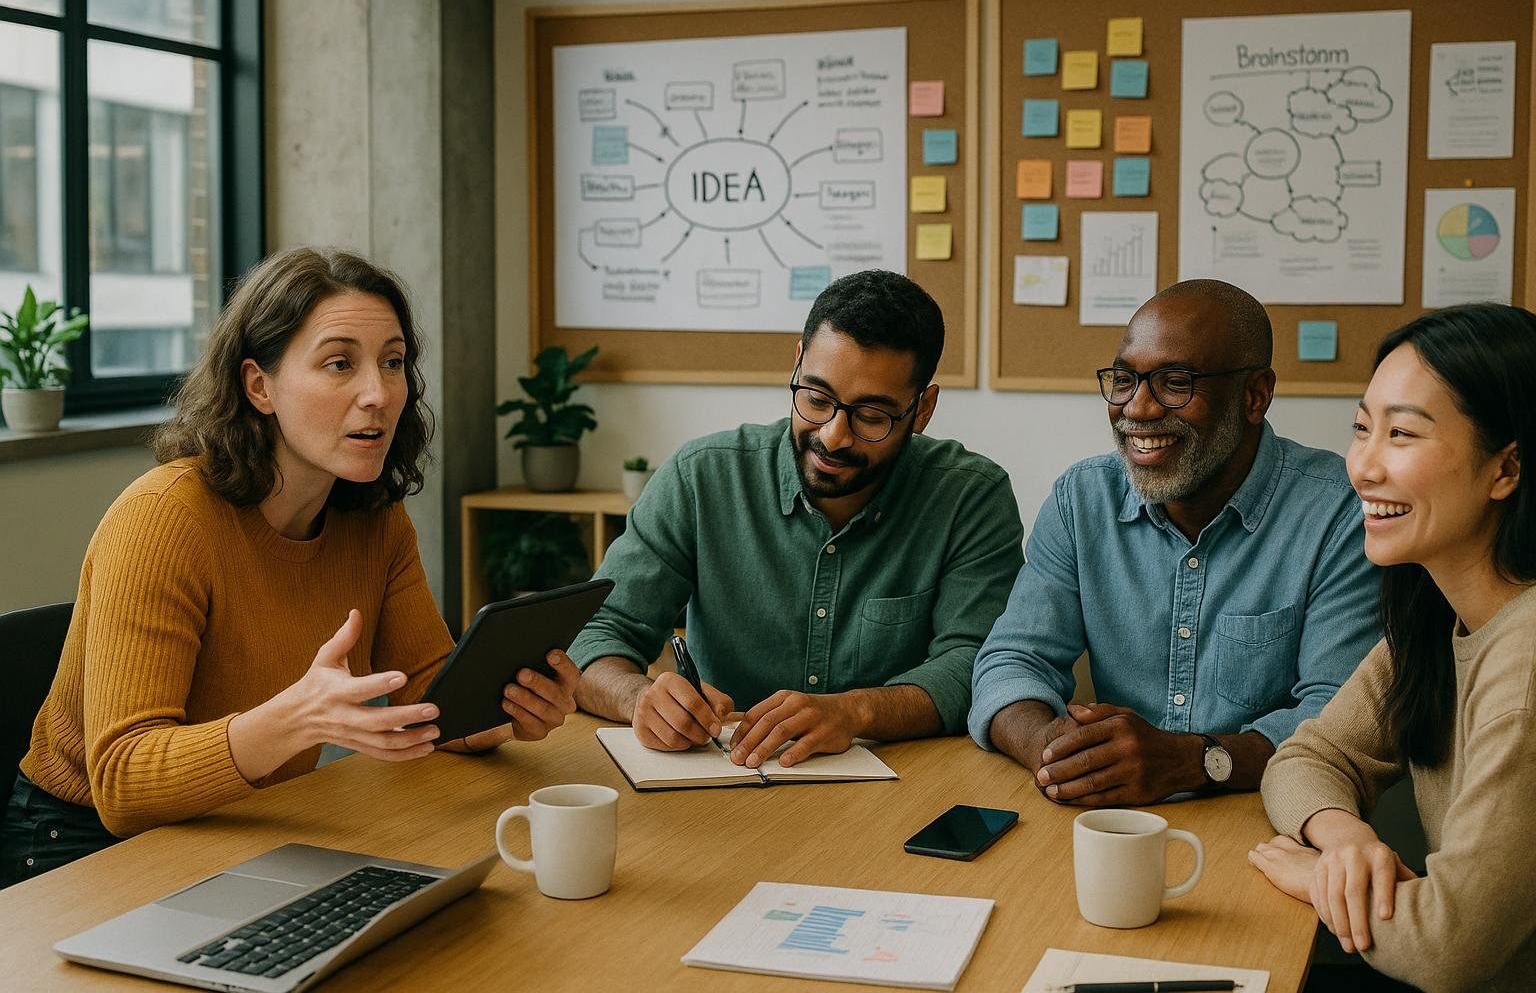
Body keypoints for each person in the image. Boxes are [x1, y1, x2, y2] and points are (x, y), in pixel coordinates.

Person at [2, 248, 580, 888]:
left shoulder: (376, 522)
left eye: (393, 363)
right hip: (82, 847)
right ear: (259, 386)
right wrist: (296, 720)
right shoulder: (164, 519)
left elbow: (427, 697)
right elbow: (123, 781)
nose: (379, 393)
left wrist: (503, 710)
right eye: (340, 364)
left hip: (244, 825)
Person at [570, 269, 1023, 769]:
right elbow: (599, 633)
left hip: (902, 792)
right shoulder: (702, 477)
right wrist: (639, 697)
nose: (832, 436)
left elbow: (976, 664)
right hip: (723, 783)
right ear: (798, 364)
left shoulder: (971, 498)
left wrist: (857, 711)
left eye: (872, 416)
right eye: (816, 397)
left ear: (922, 410)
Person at [969, 279, 1378, 805]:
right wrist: (1054, 750)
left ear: (1255, 395)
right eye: (1123, 380)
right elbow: (1012, 660)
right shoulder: (1082, 498)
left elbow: (1339, 717)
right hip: (1109, 818)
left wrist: (1192, 762)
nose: (1137, 409)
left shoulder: (1338, 513)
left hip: (1267, 815)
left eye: (1175, 383)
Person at [1252, 303, 1536, 990]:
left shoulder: (1527, 661)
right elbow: (1309, 755)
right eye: (1361, 428)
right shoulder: (1434, 605)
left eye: (1402, 433)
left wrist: (1316, 875)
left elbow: (1449, 947)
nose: (1363, 468)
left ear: (1506, 469)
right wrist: (1344, 839)